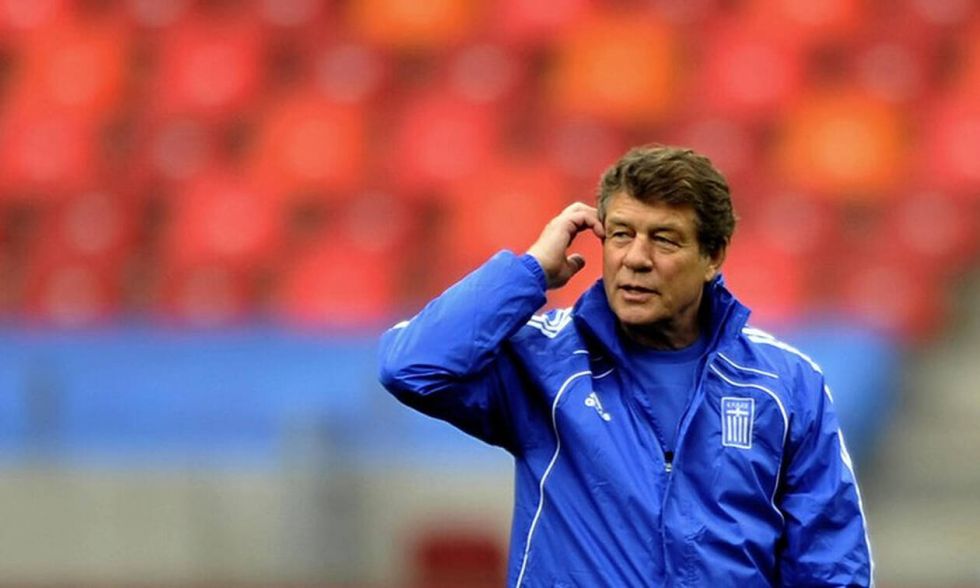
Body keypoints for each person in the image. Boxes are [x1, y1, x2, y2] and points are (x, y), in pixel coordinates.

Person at [378, 145, 873, 586]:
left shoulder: (785, 386)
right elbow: (411, 367)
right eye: (620, 234)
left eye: (665, 239)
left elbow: (830, 565)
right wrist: (530, 271)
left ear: (712, 256)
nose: (636, 258)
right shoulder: (545, 364)